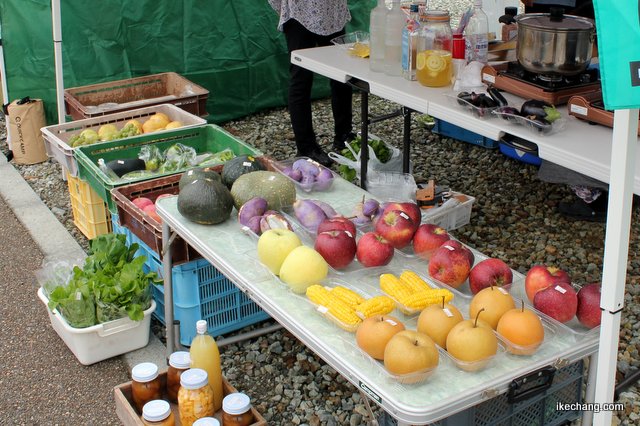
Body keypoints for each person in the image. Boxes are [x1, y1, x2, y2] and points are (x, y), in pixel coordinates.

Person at [268, 0, 355, 167]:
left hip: (333, 14)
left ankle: (344, 137)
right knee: (301, 79)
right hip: (299, 15)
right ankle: (306, 147)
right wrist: (284, 9)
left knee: (342, 77)